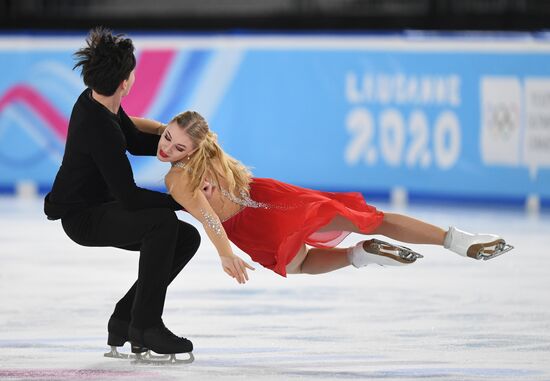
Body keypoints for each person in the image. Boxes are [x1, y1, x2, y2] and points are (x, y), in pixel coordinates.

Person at [157, 111, 513, 284]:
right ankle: (458, 241)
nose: (167, 146)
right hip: (271, 195)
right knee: (372, 217)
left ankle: (359, 254)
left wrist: (225, 254)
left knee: (299, 263)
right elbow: (150, 127)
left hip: (249, 224)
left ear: (190, 148)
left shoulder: (177, 178)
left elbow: (209, 218)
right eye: (167, 137)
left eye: (176, 144)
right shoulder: (211, 153)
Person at [43, 27, 200, 359]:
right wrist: (181, 202)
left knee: (186, 238)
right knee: (162, 222)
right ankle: (146, 326)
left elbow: (133, 139)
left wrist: (182, 150)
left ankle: (125, 317)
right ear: (125, 82)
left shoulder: (98, 103)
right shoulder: (98, 126)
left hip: (100, 205)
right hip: (83, 218)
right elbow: (129, 198)